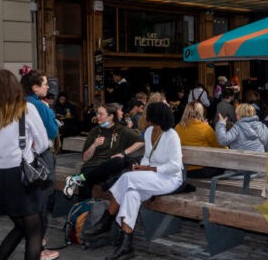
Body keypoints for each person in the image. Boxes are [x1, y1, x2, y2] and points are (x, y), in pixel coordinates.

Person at [89, 103, 184, 259]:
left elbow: (175, 166)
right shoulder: (148, 132)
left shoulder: (171, 136)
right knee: (131, 194)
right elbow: (148, 157)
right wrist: (141, 167)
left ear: (156, 117)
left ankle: (107, 218)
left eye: (149, 114)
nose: (145, 116)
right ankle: (126, 246)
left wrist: (149, 170)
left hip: (170, 178)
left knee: (126, 178)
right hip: (151, 177)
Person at [0, 69, 49, 260]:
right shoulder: (25, 109)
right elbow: (42, 143)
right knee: (34, 231)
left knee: (20, 226)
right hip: (19, 176)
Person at [63, 103, 144, 200]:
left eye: (101, 114)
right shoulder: (95, 131)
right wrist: (94, 145)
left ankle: (77, 179)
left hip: (109, 166)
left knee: (119, 161)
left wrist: (123, 153)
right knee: (85, 183)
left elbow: (141, 141)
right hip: (93, 165)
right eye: (97, 114)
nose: (98, 116)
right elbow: (85, 158)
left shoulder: (122, 130)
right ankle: (83, 212)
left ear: (110, 116)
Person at [19, 69, 59, 260]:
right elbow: (50, 133)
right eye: (44, 84)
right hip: (40, 158)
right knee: (43, 199)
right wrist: (51, 114)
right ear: (35, 87)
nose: (47, 87)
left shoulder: (16, 103)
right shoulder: (39, 106)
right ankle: (39, 244)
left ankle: (35, 240)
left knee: (30, 200)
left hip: (20, 160)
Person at [175, 101, 226, 178]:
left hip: (183, 170)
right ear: (200, 112)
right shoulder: (205, 128)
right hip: (200, 170)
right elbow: (221, 148)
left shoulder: (178, 127)